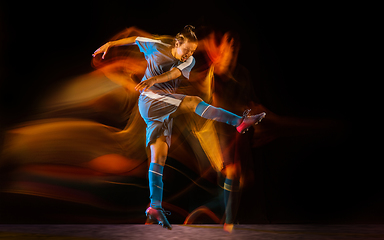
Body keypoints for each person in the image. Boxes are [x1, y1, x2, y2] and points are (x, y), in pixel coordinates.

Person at [93, 25, 266, 230]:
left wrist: (155, 78)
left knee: (160, 158)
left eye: (192, 52)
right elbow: (134, 38)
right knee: (193, 102)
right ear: (177, 43)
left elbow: (173, 75)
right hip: (150, 101)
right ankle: (239, 121)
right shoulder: (157, 46)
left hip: (163, 110)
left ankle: (154, 207)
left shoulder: (189, 61)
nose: (189, 55)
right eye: (186, 50)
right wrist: (110, 44)